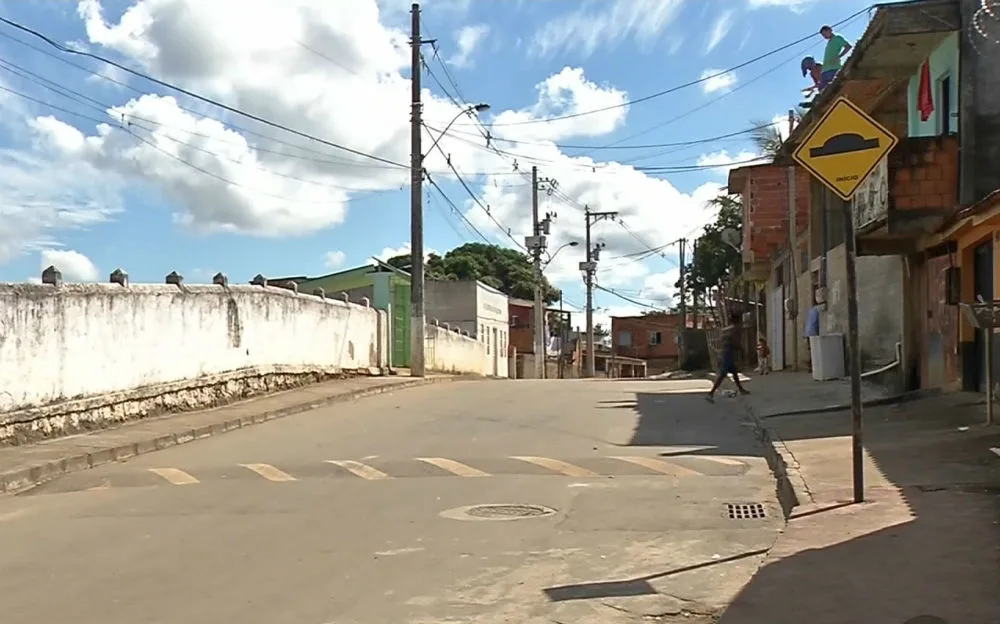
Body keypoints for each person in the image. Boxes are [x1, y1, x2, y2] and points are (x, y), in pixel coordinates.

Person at [706, 312, 750, 403]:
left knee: (734, 372)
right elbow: (734, 343)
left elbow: (723, 340)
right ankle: (711, 393)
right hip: (728, 354)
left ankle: (741, 389)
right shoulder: (736, 329)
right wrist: (741, 350)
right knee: (723, 374)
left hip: (725, 353)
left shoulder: (728, 329)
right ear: (737, 320)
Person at [818, 25, 852, 90]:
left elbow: (848, 46)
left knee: (834, 88)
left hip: (833, 68)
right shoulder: (829, 42)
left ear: (830, 30)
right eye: (823, 35)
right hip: (825, 70)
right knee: (822, 91)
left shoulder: (837, 38)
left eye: (825, 34)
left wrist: (839, 56)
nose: (824, 36)